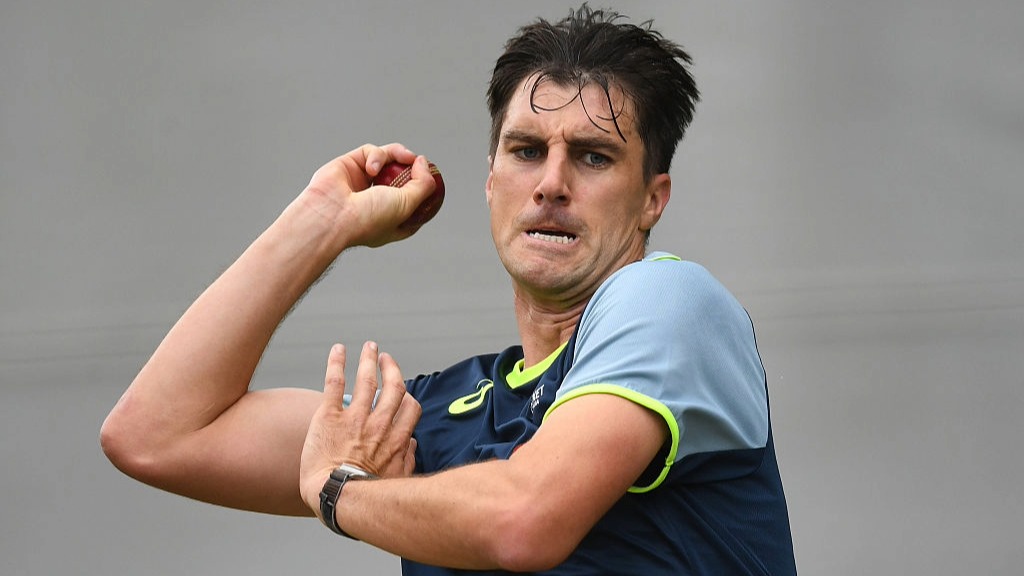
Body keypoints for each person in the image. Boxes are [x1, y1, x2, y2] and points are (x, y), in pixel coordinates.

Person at [101, 5, 797, 574]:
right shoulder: (443, 414)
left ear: (653, 199)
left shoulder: (673, 302)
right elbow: (155, 436)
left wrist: (340, 492)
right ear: (491, 180)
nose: (552, 182)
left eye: (593, 156)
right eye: (527, 151)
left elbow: (525, 521)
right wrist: (322, 220)